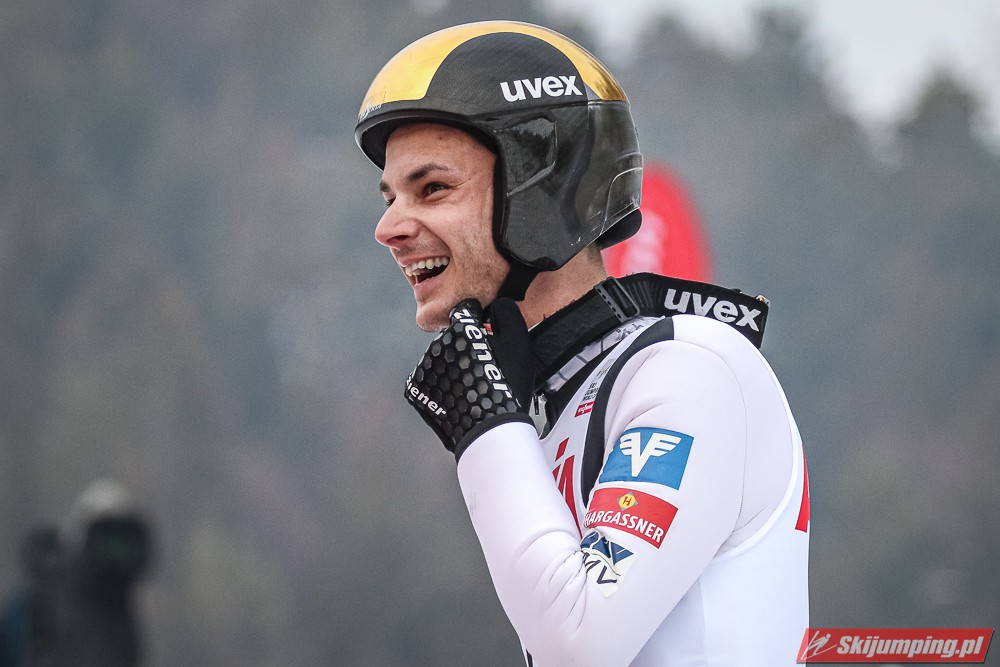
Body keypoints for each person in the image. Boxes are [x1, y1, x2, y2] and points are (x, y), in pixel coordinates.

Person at [355, 20, 810, 666]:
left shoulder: (689, 367)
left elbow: (580, 642)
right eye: (391, 197)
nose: (389, 227)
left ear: (538, 191)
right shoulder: (557, 408)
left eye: (432, 189)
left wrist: (484, 427)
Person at [0, 480, 152, 667]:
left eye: (125, 542)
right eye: (106, 539)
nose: (115, 554)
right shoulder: (35, 607)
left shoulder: (121, 611)